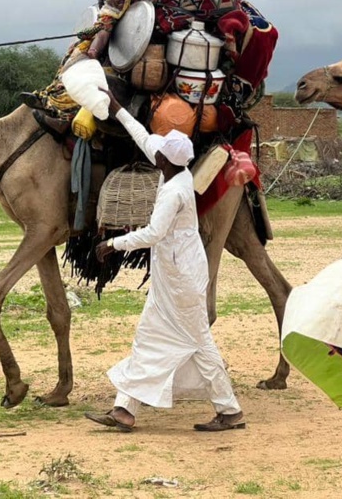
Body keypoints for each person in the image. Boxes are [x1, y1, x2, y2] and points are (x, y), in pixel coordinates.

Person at [85, 90, 244, 433]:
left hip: (180, 279)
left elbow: (154, 233)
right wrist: (117, 109)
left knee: (199, 343)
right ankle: (124, 410)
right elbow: (144, 138)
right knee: (153, 338)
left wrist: (113, 243)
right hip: (173, 275)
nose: (153, 153)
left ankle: (229, 411)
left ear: (166, 160)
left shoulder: (174, 191)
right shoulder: (174, 171)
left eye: (159, 152)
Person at [22, 0, 135, 139]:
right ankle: (48, 100)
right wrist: (90, 46)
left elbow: (104, 34)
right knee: (69, 68)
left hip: (122, 66)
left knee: (87, 84)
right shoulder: (109, 13)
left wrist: (93, 51)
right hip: (102, 56)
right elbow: (100, 31)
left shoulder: (137, 14)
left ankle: (62, 122)